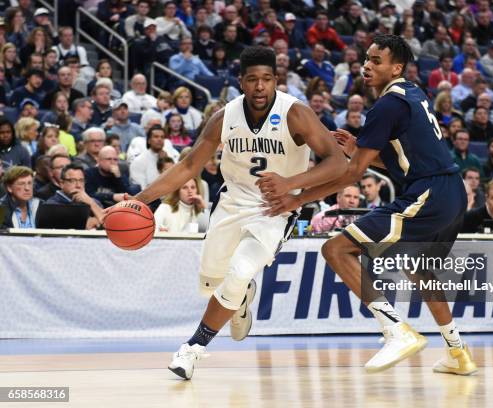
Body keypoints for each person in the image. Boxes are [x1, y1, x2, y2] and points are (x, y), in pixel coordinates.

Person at [105, 46, 345, 380]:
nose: (259, 87)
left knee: (241, 269)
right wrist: (141, 200)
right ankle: (242, 295)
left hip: (274, 210)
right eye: (252, 80)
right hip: (232, 203)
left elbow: (337, 162)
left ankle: (192, 349)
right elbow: (189, 164)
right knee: (212, 280)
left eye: (266, 79)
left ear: (276, 80)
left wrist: (292, 184)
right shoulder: (224, 116)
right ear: (241, 83)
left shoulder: (296, 114)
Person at [258, 35, 477, 375]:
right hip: (450, 192)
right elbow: (404, 163)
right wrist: (360, 149)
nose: (367, 65)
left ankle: (396, 330)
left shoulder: (387, 104)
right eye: (367, 59)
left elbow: (349, 176)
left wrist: (294, 193)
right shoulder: (415, 94)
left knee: (336, 249)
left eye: (377, 60)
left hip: (428, 195)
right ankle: (458, 352)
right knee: (421, 270)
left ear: (397, 67)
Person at [46, 163, 105, 230]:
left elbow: (107, 224)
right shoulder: (51, 204)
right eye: (72, 181)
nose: (78, 185)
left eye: (81, 180)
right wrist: (83, 223)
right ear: (62, 183)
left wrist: (91, 203)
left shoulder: (93, 202)